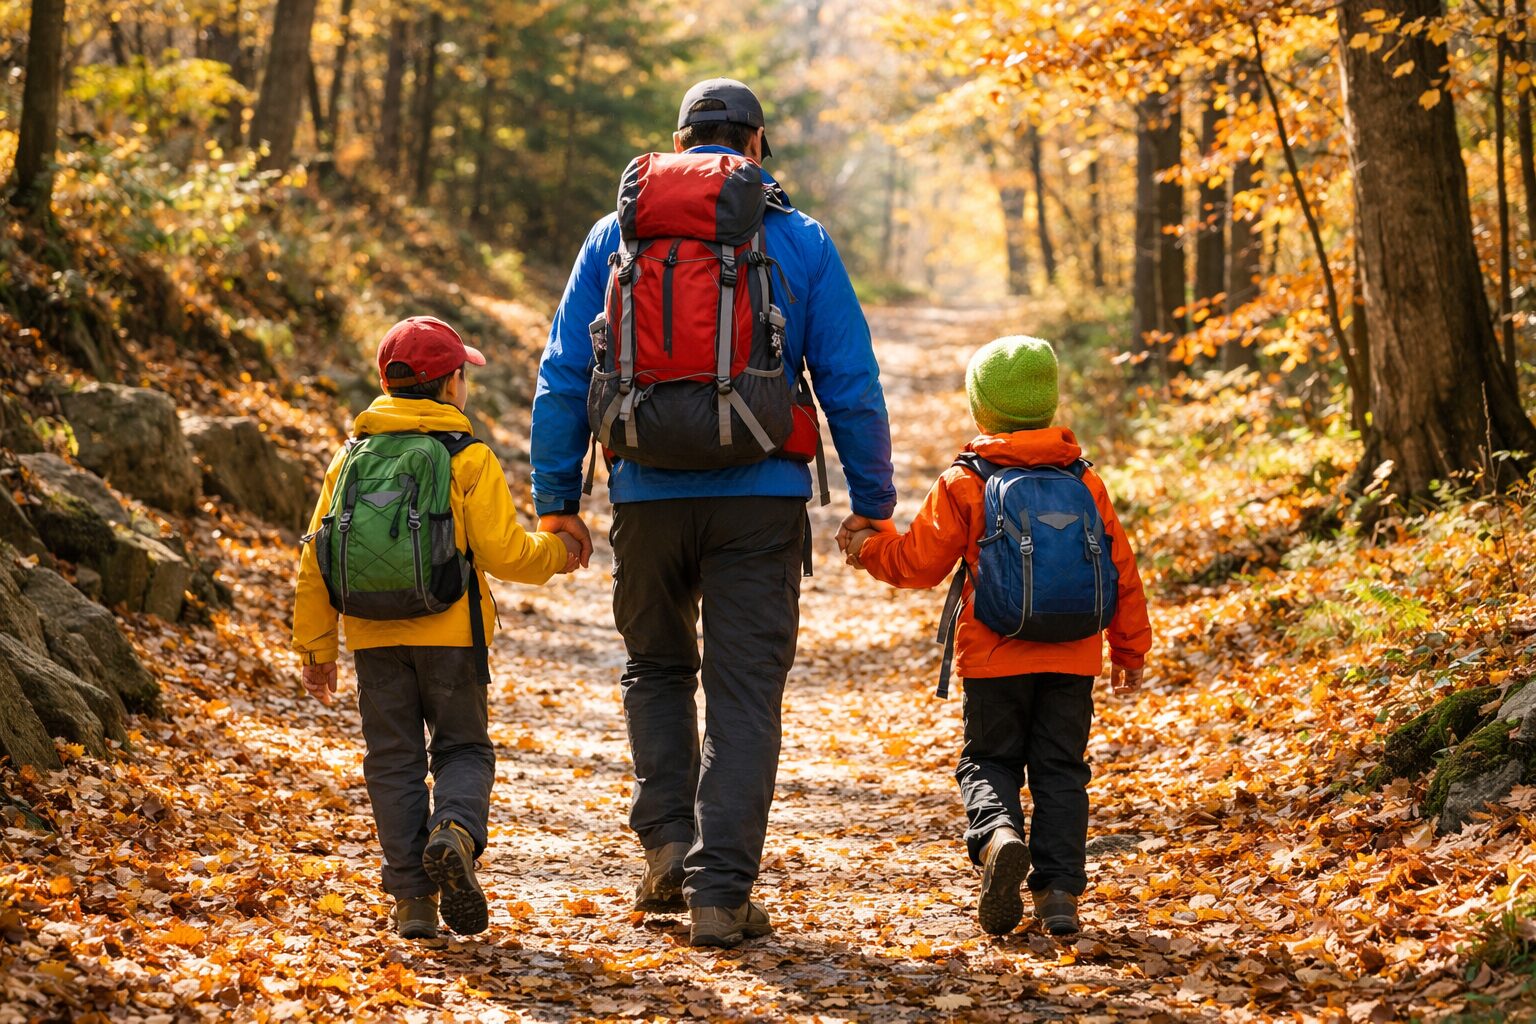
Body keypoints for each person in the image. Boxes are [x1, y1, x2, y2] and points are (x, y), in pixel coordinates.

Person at [530, 79, 896, 947]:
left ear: (680, 141)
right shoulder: (799, 238)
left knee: (657, 669)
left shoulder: (615, 235)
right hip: (761, 501)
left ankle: (666, 843)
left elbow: (562, 374)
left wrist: (557, 501)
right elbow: (851, 380)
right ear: (756, 146)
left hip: (647, 493)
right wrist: (872, 504)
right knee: (743, 695)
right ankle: (720, 893)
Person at [843, 335, 1151, 938]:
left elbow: (918, 564)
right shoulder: (1084, 479)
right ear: (1049, 400)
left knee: (989, 760)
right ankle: (1060, 894)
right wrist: (1129, 648)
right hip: (1072, 658)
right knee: (1062, 771)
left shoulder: (968, 479)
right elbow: (1121, 569)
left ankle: (999, 838)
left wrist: (867, 549)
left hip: (994, 657)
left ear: (981, 406)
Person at [292, 316, 581, 940]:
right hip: (452, 636)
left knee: (392, 763)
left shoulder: (349, 459)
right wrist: (561, 551)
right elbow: (507, 556)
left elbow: (317, 556)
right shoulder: (466, 457)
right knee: (463, 749)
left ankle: (413, 904)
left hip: (372, 639)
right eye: (462, 374)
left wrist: (317, 648)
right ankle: (452, 830)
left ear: (387, 383)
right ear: (451, 384)